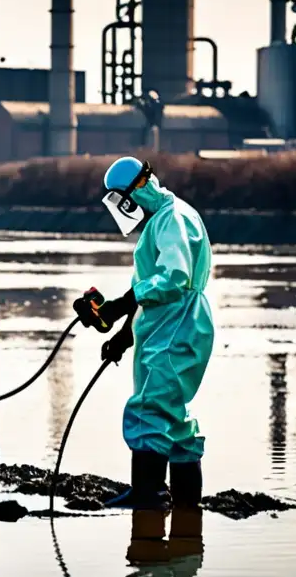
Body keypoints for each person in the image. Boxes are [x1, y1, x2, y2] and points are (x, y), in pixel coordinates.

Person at [89, 156, 214, 509]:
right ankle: (187, 509)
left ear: (138, 189)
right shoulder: (161, 221)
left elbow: (173, 278)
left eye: (121, 199)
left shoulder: (174, 218)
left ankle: (150, 495)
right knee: (172, 414)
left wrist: (122, 303)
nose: (122, 208)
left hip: (177, 325)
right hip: (165, 325)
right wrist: (124, 334)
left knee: (150, 408)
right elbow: (148, 287)